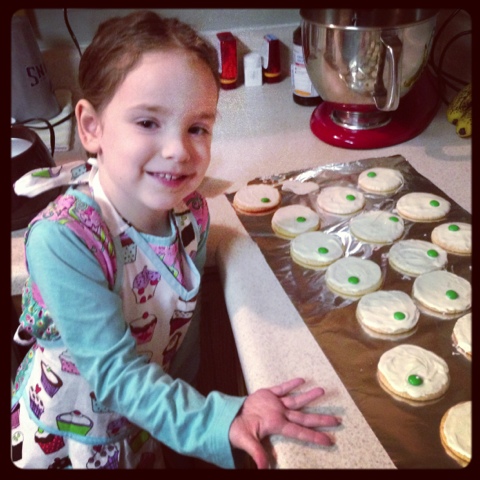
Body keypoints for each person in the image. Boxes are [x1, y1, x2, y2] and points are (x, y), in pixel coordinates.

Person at [11, 10, 340, 469]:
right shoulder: (65, 241)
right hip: (68, 444)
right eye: (148, 123)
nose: (179, 150)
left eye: (197, 128)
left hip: (146, 427)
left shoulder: (191, 217)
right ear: (91, 127)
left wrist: (200, 406)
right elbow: (116, 376)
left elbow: (182, 336)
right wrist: (214, 421)